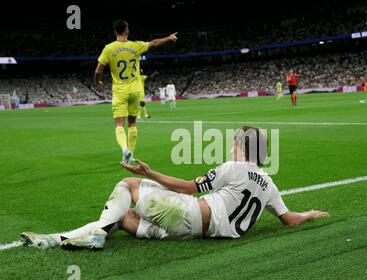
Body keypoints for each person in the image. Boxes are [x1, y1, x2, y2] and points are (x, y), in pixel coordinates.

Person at [20, 126, 329, 250]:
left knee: (128, 184)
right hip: (195, 232)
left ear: (241, 146)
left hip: (191, 213)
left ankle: (97, 236)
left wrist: (149, 173)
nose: (232, 147)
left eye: (235, 143)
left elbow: (185, 189)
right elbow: (289, 219)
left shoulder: (233, 168)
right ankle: (56, 239)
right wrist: (310, 214)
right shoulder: (270, 184)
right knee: (125, 218)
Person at [94, 19, 177, 163]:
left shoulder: (109, 48)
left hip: (120, 91)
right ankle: (130, 156)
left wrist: (98, 82)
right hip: (135, 90)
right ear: (127, 30)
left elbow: (98, 70)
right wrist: (169, 38)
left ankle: (124, 149)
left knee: (119, 124)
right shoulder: (135, 45)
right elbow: (154, 43)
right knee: (132, 124)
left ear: (115, 31)